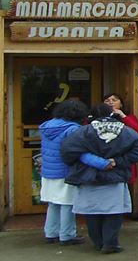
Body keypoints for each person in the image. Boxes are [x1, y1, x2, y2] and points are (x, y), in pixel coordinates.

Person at [60, 103, 138, 254]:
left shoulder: (83, 132)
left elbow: (67, 150)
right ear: (111, 114)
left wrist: (91, 160)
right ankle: (110, 243)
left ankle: (98, 242)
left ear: (91, 115)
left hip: (89, 178)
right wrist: (117, 161)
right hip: (116, 177)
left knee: (92, 212)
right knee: (114, 212)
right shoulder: (126, 131)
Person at [38, 100, 110, 245]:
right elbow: (79, 153)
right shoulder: (72, 129)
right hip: (65, 171)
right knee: (67, 203)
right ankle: (67, 235)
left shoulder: (47, 127)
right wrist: (103, 163)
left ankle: (51, 233)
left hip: (48, 171)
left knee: (53, 203)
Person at [103, 93, 138, 185]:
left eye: (114, 100)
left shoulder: (129, 117)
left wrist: (122, 115)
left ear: (121, 104)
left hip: (124, 155)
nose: (111, 102)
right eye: (107, 100)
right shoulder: (98, 118)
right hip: (106, 154)